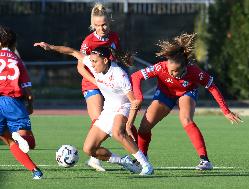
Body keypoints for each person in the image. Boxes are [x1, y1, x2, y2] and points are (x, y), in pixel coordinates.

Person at [34, 42, 153, 175]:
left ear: (105, 60)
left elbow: (134, 102)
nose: (92, 64)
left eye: (95, 61)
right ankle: (123, 161)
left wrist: (129, 124)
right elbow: (73, 52)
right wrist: (51, 47)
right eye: (91, 61)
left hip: (122, 106)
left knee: (118, 132)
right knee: (89, 149)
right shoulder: (94, 63)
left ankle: (146, 165)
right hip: (108, 109)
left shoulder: (119, 74)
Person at [130, 33, 242, 170]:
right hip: (165, 94)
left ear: (184, 67)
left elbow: (212, 87)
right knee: (144, 127)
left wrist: (226, 111)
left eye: (176, 71)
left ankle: (205, 161)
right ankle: (142, 158)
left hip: (186, 92)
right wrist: (139, 97)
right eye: (170, 69)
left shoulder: (194, 72)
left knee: (185, 119)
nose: (172, 73)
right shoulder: (161, 67)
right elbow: (136, 76)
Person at [77, 3, 137, 171]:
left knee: (115, 122)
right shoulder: (88, 42)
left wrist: (127, 60)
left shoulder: (114, 37)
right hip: (92, 84)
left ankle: (97, 154)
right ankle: (94, 155)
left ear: (109, 22)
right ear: (92, 25)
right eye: (97, 25)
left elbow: (114, 59)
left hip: (111, 84)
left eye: (104, 24)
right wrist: (96, 81)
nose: (101, 28)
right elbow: (80, 67)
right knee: (98, 120)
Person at [0, 25, 43, 179]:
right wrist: (30, 104)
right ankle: (35, 170)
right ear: (14, 44)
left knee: (9, 140)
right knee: (29, 142)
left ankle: (36, 171)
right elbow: (26, 87)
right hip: (13, 102)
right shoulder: (16, 59)